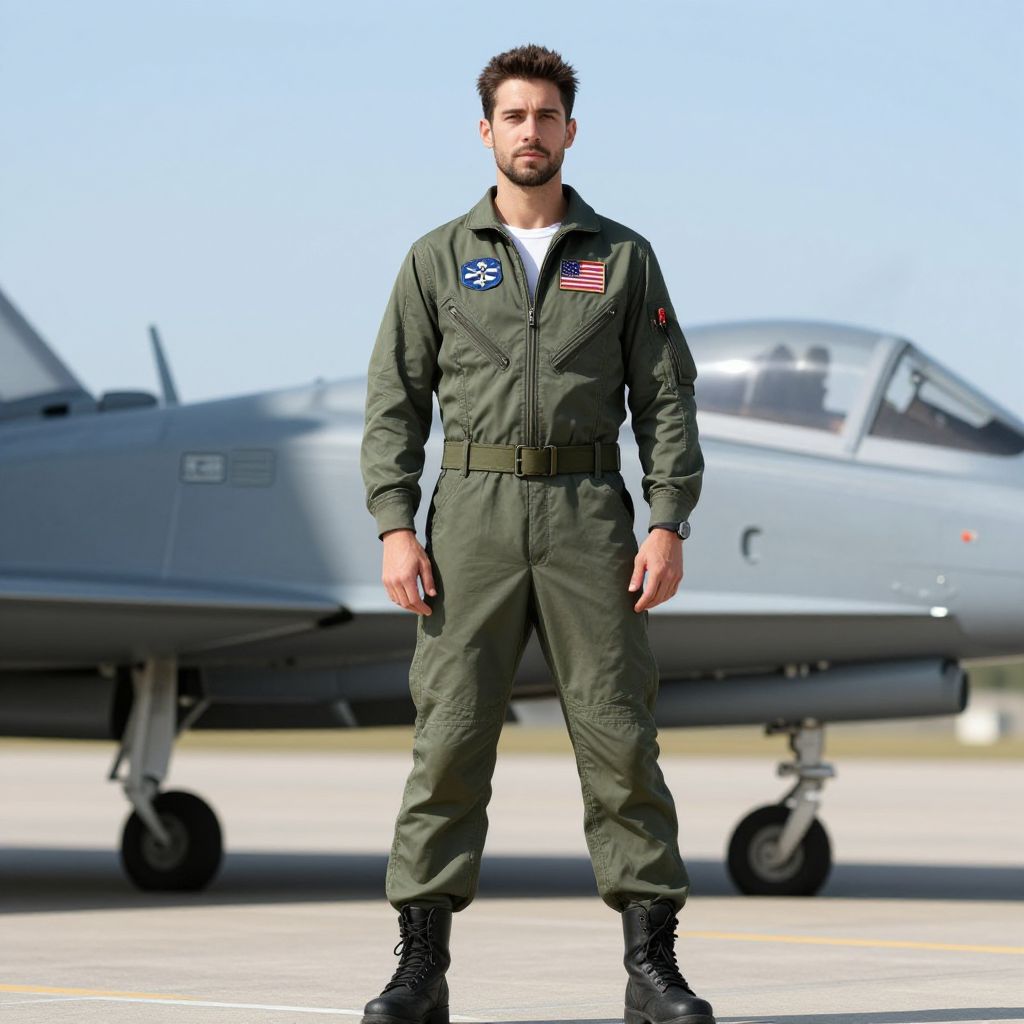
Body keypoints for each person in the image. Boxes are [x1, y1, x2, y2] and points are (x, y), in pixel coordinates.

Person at [359, 43, 714, 1024]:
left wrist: (667, 518)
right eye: (511, 116)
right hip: (468, 519)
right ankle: (417, 970)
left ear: (570, 129)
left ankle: (652, 970)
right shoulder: (436, 258)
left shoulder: (622, 257)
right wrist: (396, 524)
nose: (529, 130)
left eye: (545, 115)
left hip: (587, 515)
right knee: (449, 742)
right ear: (486, 131)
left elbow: (666, 401)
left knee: (619, 737)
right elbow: (394, 401)